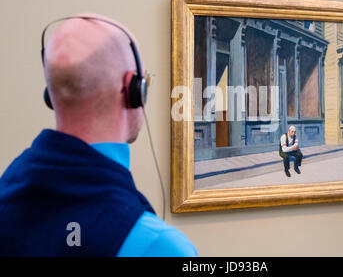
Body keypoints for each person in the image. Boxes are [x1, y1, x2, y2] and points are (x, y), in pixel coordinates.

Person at [0, 14, 198, 257]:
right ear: (134, 89)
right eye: (144, 80)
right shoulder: (157, 244)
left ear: (50, 95)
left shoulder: (7, 190)